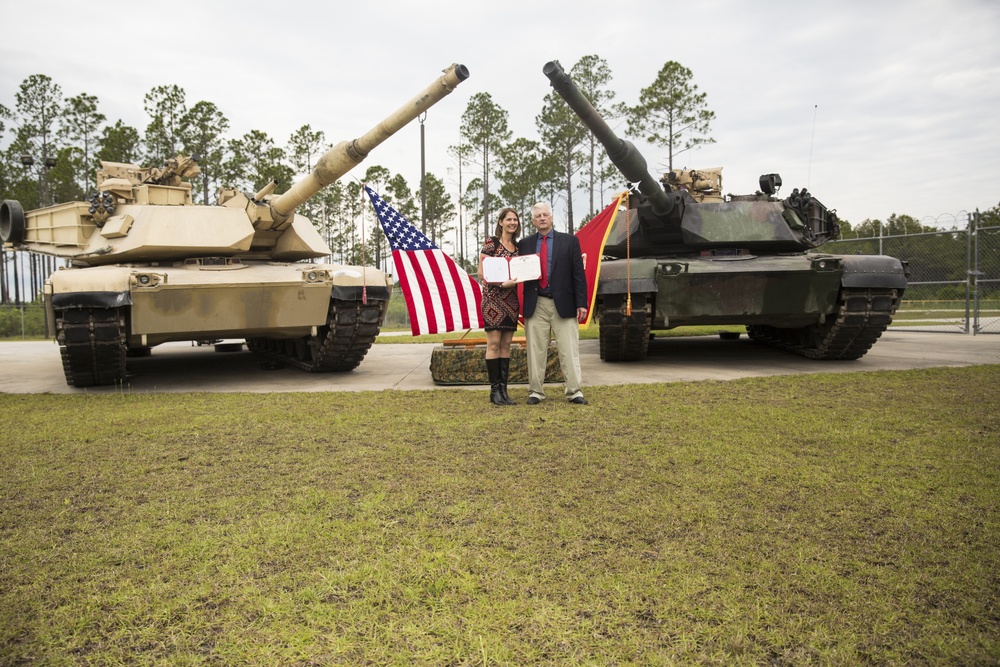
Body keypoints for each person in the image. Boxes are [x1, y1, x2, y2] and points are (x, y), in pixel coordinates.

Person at [518, 201, 589, 405]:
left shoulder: (570, 241)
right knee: (536, 351)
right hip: (536, 303)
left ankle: (575, 391)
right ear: (533, 221)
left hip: (564, 303)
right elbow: (518, 271)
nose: (542, 218)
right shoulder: (525, 244)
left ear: (551, 218)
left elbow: (578, 274)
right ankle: (536, 392)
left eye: (545, 215)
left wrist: (581, 303)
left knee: (568, 350)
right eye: (538, 216)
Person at [478, 207, 522, 405]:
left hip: (511, 301)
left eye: (515, 220)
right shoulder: (491, 243)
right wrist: (502, 283)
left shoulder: (518, 248)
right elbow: (482, 272)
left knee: (506, 345)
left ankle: (504, 391)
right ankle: (494, 391)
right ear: (501, 222)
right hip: (493, 299)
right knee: (494, 344)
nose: (513, 222)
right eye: (509, 219)